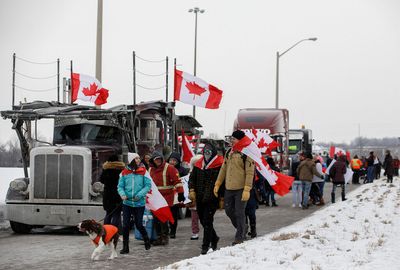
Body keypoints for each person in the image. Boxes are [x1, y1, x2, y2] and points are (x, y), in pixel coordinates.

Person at [214, 130, 255, 245]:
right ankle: (242, 227)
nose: (231, 141)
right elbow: (223, 169)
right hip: (229, 188)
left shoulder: (247, 153)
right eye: (231, 139)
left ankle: (239, 237)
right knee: (229, 211)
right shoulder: (229, 152)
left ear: (240, 140)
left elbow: (250, 172)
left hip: (241, 188)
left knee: (239, 212)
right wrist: (218, 183)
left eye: (234, 139)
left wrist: (247, 188)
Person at [189, 143, 224, 255]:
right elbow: (192, 179)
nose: (207, 154)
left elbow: (223, 182)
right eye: (205, 152)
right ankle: (214, 238)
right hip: (199, 197)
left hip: (212, 197)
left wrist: (222, 198)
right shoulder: (198, 165)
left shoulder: (219, 164)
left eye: (209, 152)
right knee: (203, 220)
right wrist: (192, 190)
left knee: (208, 221)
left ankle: (206, 245)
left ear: (213, 152)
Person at [118, 153, 152, 253]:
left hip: (139, 203)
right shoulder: (124, 172)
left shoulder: (144, 171)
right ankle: (125, 247)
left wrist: (139, 195)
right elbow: (120, 187)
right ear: (131, 160)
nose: (138, 159)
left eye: (138, 158)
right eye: (136, 158)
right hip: (127, 203)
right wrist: (122, 194)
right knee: (125, 225)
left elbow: (147, 185)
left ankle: (146, 239)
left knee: (138, 224)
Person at [149, 151, 184, 246]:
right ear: (153, 160)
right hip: (155, 198)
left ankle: (165, 237)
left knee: (163, 218)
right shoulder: (150, 170)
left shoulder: (170, 168)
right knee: (156, 219)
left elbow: (177, 181)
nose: (158, 161)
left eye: (160, 159)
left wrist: (181, 192)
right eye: (156, 159)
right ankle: (159, 237)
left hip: (166, 197)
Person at [167, 152, 189, 239]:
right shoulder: (165, 168)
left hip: (176, 195)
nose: (172, 162)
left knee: (173, 213)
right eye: (171, 160)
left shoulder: (182, 170)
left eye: (174, 160)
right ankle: (166, 230)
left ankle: (173, 231)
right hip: (167, 194)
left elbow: (185, 182)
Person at [99, 155, 125, 228]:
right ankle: (114, 231)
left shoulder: (106, 169)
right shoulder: (121, 170)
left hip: (107, 195)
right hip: (118, 194)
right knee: (116, 214)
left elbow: (101, 180)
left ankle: (106, 231)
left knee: (108, 213)